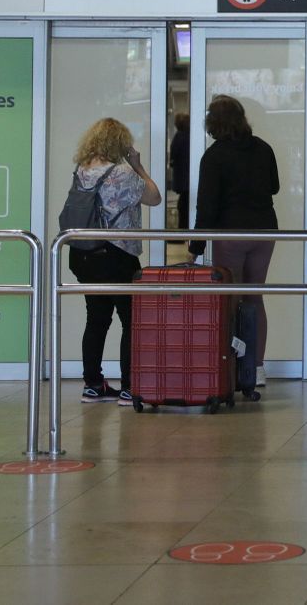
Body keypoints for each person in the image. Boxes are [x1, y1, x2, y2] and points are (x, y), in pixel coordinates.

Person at [68, 118, 160, 403]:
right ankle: (130, 386)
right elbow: (154, 197)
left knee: (96, 319)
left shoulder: (83, 171)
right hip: (117, 254)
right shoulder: (122, 173)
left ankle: (93, 385)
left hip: (85, 254)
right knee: (131, 320)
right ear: (120, 143)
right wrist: (138, 166)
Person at [190, 94, 279, 385]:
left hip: (230, 234)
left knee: (230, 300)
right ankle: (257, 367)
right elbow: (274, 187)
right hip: (264, 232)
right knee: (254, 297)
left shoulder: (214, 156)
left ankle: (231, 367)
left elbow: (207, 207)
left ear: (212, 123)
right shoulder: (264, 148)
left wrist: (196, 246)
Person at [169, 111, 190, 229]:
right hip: (187, 178)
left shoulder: (179, 137)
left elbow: (173, 157)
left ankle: (182, 230)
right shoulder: (190, 137)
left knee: (183, 205)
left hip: (183, 178)